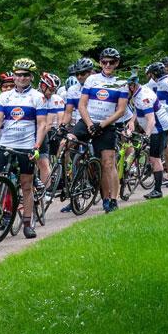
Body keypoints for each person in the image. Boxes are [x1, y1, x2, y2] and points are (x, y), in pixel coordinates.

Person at [0, 57, 49, 237]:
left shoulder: (37, 97)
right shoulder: (5, 96)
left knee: (26, 185)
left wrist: (37, 146)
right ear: (14, 76)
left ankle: (27, 223)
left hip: (26, 146)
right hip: (7, 143)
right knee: (0, 180)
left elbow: (42, 125)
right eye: (18, 75)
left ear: (31, 77)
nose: (21, 78)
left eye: (25, 75)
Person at [74, 48, 129, 213]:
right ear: (100, 62)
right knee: (66, 141)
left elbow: (120, 110)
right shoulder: (91, 80)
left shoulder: (122, 82)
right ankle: (68, 180)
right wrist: (90, 124)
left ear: (117, 63)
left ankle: (110, 199)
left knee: (108, 163)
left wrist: (102, 125)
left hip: (107, 124)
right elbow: (82, 105)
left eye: (112, 62)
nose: (108, 65)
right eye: (104, 61)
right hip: (88, 121)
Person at [57, 58, 96, 212]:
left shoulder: (97, 85)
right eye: (77, 73)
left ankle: (105, 192)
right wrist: (62, 126)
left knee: (101, 158)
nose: (80, 76)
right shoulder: (72, 90)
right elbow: (68, 112)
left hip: (97, 123)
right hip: (80, 125)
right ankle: (69, 186)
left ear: (91, 72)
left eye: (83, 73)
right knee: (64, 145)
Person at [134, 63, 168, 199]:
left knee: (155, 158)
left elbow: (151, 119)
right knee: (163, 151)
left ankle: (159, 189)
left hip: (158, 127)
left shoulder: (165, 83)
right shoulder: (143, 91)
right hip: (159, 125)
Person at [36, 71, 63, 189]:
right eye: (50, 90)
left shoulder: (53, 100)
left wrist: (39, 141)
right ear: (42, 86)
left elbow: (48, 124)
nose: (52, 93)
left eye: (54, 90)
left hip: (43, 132)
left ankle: (46, 191)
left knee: (43, 162)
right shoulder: (34, 96)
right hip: (28, 132)